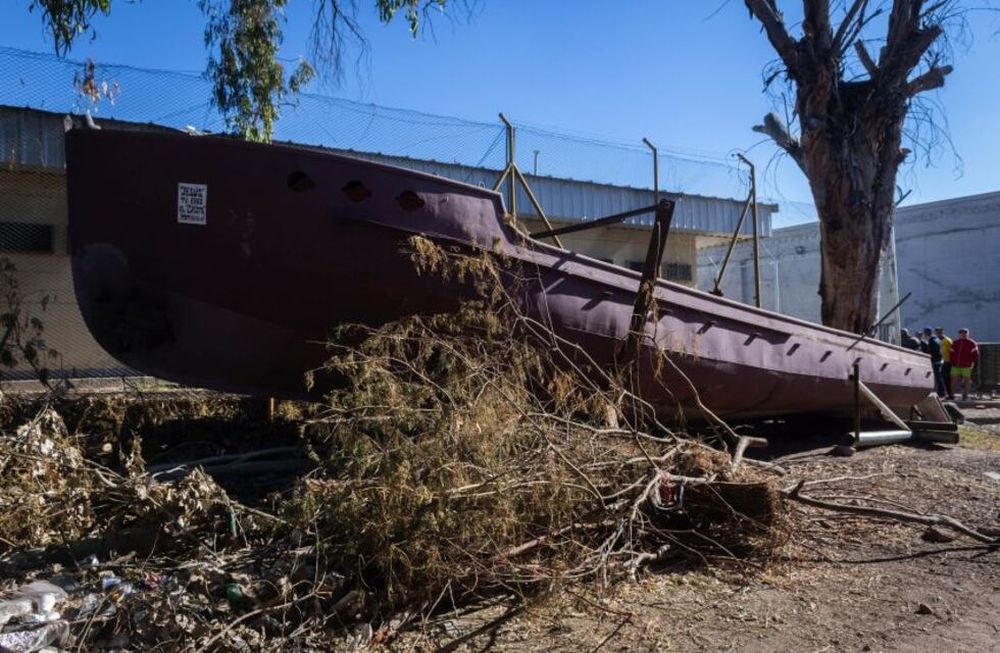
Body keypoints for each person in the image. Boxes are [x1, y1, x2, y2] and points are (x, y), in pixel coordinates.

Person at [950, 328, 979, 401]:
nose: (963, 335)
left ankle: (965, 396)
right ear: (959, 334)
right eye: (961, 333)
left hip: (966, 366)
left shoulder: (972, 343)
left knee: (967, 381)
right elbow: (951, 353)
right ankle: (952, 395)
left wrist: (971, 362)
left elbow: (975, 355)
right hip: (955, 366)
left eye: (965, 333)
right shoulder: (955, 342)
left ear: (968, 334)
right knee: (953, 380)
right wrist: (953, 362)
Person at [922, 327, 944, 397]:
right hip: (939, 360)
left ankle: (940, 393)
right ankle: (941, 393)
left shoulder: (932, 341)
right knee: (939, 378)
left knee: (937, 378)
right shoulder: (937, 339)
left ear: (926, 333)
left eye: (925, 333)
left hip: (934, 361)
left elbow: (931, 351)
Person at [935, 327, 953, 399]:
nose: (938, 334)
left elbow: (951, 351)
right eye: (937, 332)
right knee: (943, 379)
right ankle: (946, 394)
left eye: (940, 332)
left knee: (947, 379)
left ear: (943, 332)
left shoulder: (947, 340)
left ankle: (950, 394)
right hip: (943, 361)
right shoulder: (940, 341)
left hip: (947, 362)